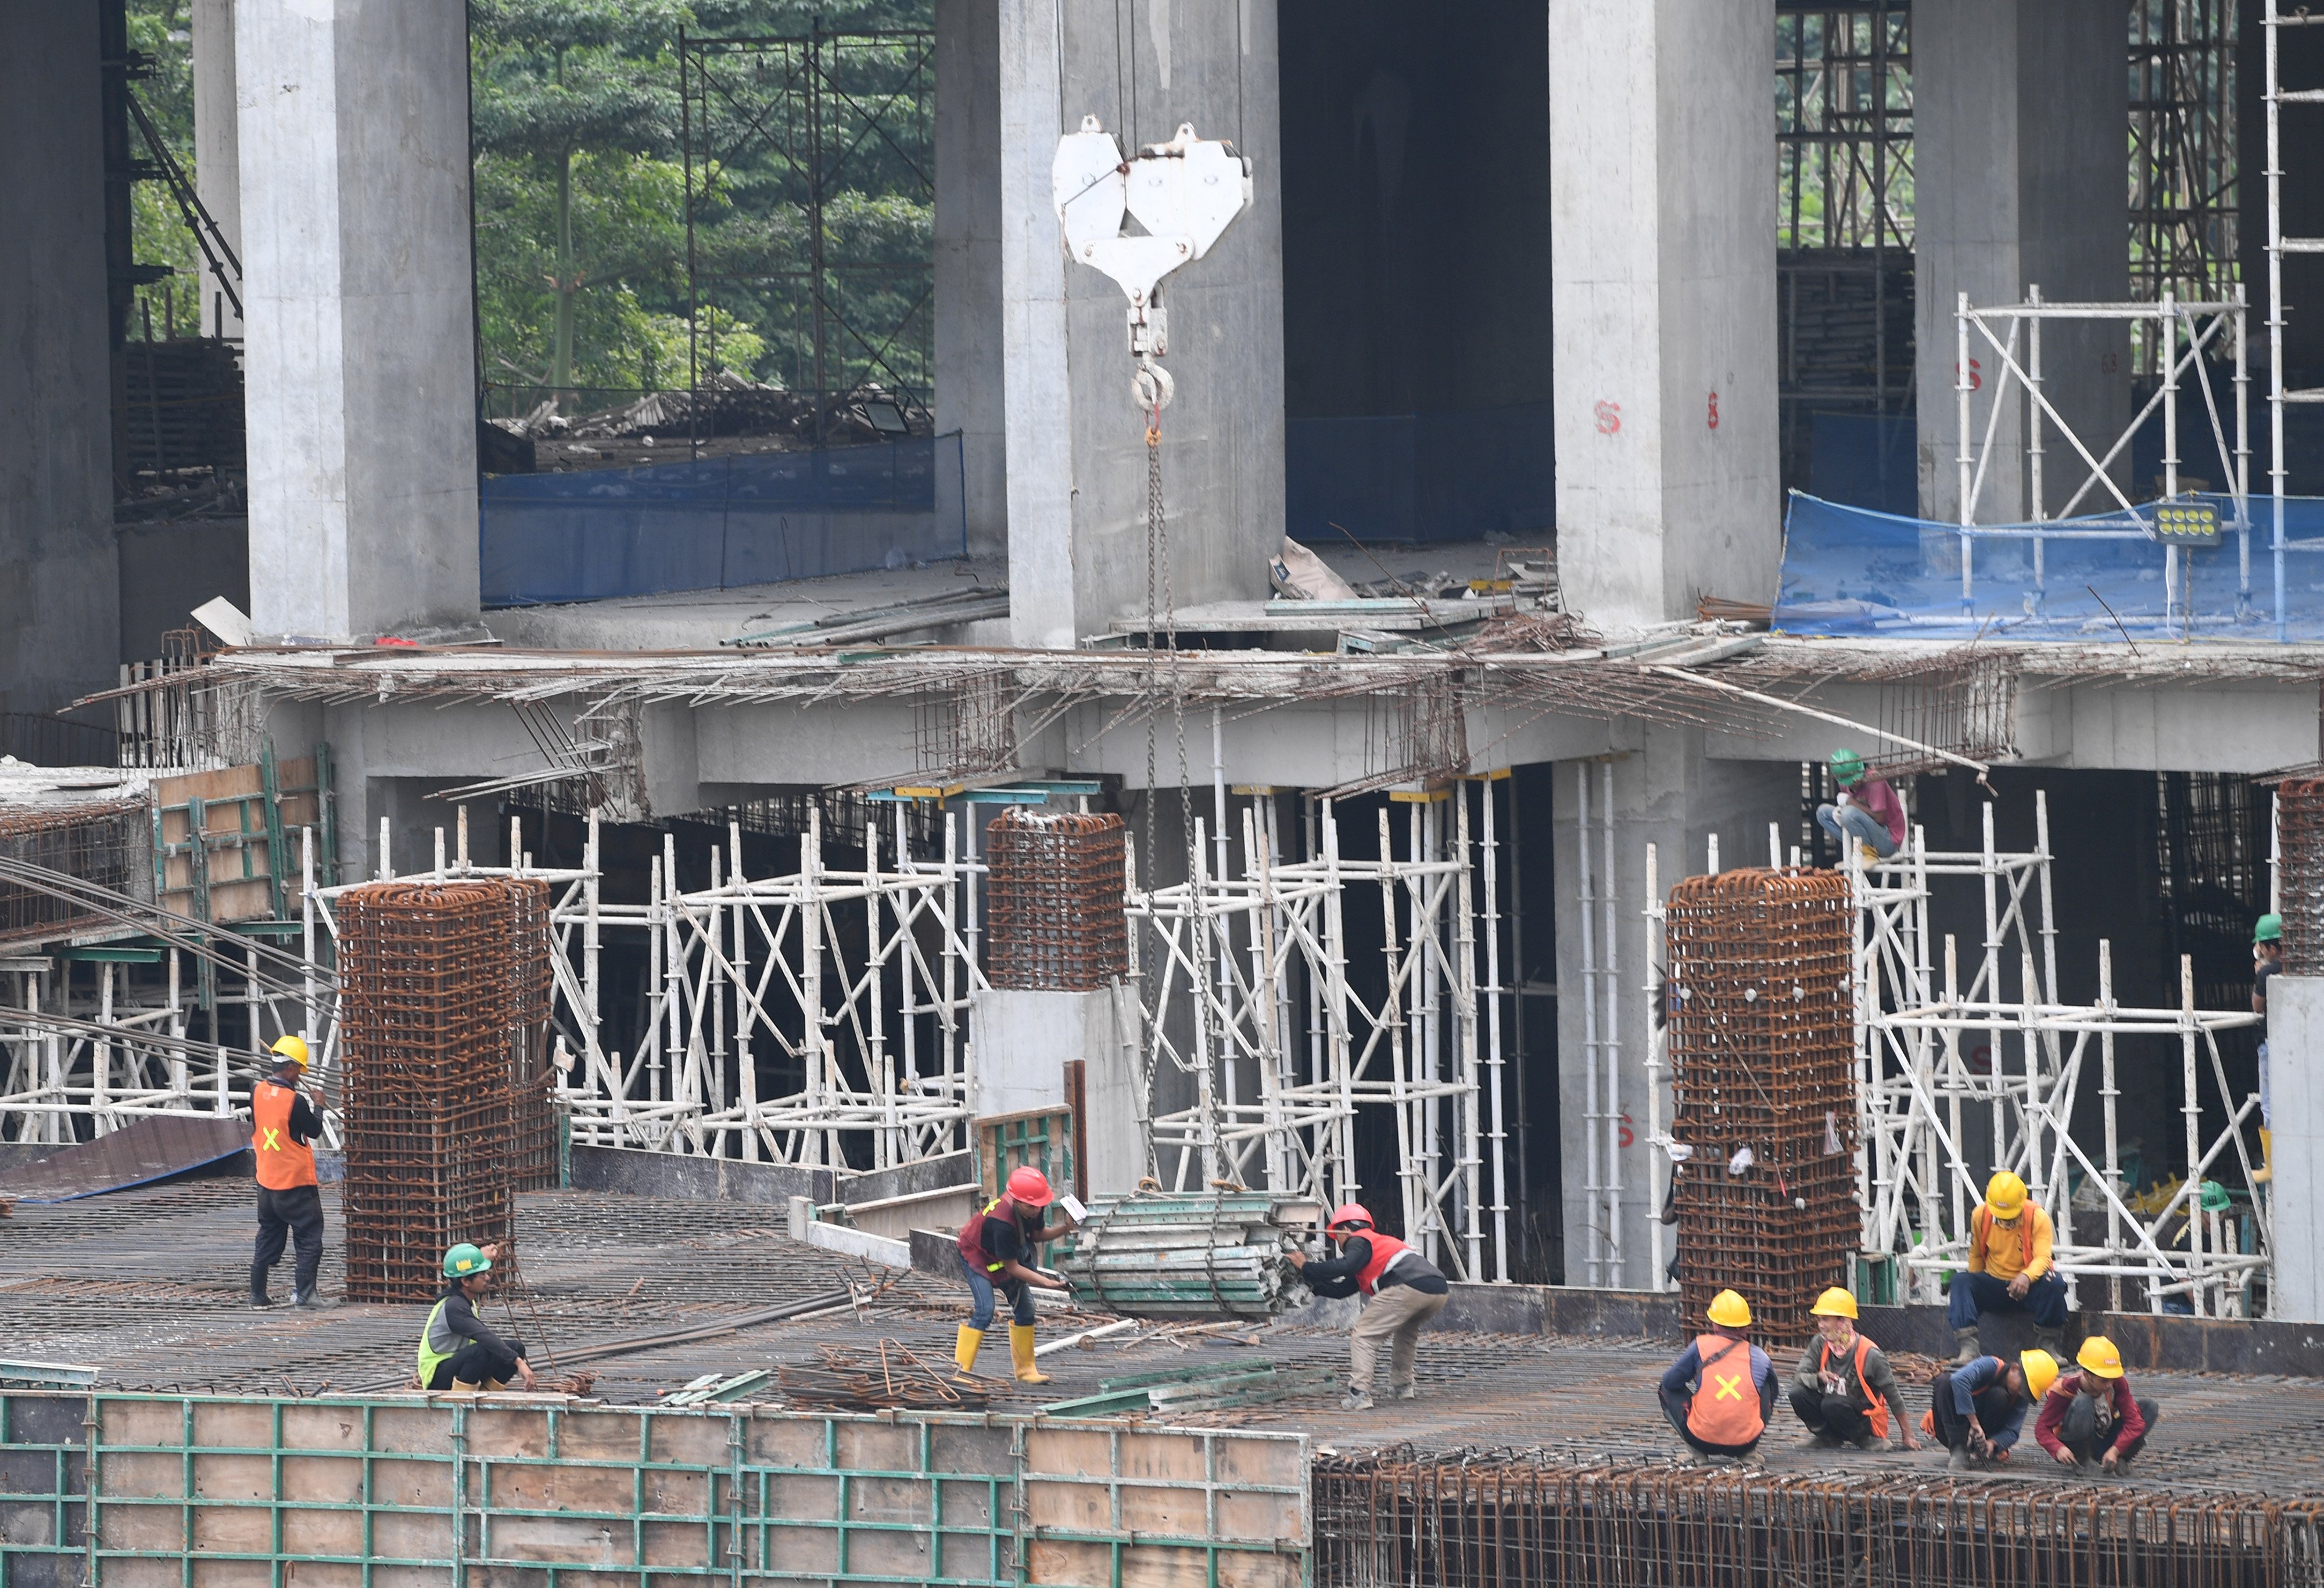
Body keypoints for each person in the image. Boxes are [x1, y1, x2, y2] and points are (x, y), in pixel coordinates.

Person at [1285, 1202, 1450, 1411]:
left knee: (1364, 1335)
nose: (1340, 1244)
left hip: (1407, 1286)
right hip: (1437, 1290)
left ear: (1345, 1229)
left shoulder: (1360, 1240)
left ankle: (1359, 1394)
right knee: (1406, 1334)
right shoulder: (1378, 1246)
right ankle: (1403, 1387)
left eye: (1338, 1238)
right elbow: (1343, 1289)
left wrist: (1307, 1266)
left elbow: (1345, 1266)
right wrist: (1310, 1285)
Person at [953, 1165, 1079, 1384]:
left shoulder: (1033, 1206)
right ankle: (961, 1371)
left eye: (1039, 1206)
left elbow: (1038, 1234)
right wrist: (1047, 1283)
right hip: (977, 1257)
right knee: (985, 1311)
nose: (1037, 1211)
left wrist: (1066, 1228)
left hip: (1004, 1256)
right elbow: (1012, 1268)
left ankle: (1026, 1370)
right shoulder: (1001, 1223)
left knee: (1026, 1309)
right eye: (1032, 1207)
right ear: (1017, 1201)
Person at [249, 1034, 332, 1310]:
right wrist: (318, 1104)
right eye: (300, 1070)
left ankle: (257, 1296)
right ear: (293, 1068)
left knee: (267, 1236)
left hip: (266, 1183)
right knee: (309, 1238)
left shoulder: (257, 1092)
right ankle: (306, 1295)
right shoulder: (294, 1101)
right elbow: (314, 1130)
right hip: (295, 1185)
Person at [1948, 1170, 2067, 1363]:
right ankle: (1969, 1348)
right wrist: (1973, 1297)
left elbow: (2043, 1258)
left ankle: (2047, 1346)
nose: (2007, 1221)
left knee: (2055, 1283)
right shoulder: (1980, 1216)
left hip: (2029, 1288)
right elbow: (1977, 1255)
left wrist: (2026, 1277)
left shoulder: (2038, 1218)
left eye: (2011, 1216)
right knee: (1961, 1281)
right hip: (1996, 1286)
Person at [1789, 1287, 1919, 1452]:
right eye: (1819, 1320)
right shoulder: (1819, 1344)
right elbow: (1799, 1376)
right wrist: (1818, 1378)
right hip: (1832, 1413)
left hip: (1863, 1419)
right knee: (1798, 1394)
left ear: (1842, 1321)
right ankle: (1827, 1437)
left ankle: (1865, 1440)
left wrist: (1908, 1435)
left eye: (1826, 1320)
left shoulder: (1870, 1354)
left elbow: (1893, 1396)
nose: (1820, 1326)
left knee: (1832, 1403)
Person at [1658, 1289, 1777, 1467]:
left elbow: (1670, 1382)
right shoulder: (1760, 1357)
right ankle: (1748, 1454)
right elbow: (1774, 1394)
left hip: (1700, 1438)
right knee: (1767, 1384)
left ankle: (1696, 1453)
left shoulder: (1700, 1345)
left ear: (1714, 1325)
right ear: (1746, 1327)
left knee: (1665, 1388)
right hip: (1745, 1442)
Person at [417, 1242, 539, 1392]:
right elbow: (482, 1334)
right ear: (466, 1282)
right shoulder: (454, 1307)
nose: (488, 1278)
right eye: (483, 1275)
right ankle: (461, 1402)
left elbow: (465, 1267)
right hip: (437, 1377)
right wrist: (519, 1362)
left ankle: (487, 1396)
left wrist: (480, 1257)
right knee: (480, 1352)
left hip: (461, 1366)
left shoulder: (465, 1297)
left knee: (515, 1348)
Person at [2034, 1336, 2158, 1474]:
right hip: (2077, 1447)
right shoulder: (2065, 1389)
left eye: (2112, 1379)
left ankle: (2119, 1460)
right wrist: (2058, 1449)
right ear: (2087, 1376)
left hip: (2105, 1442)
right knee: (2083, 1402)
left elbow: (2135, 1422)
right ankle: (2084, 1462)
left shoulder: (2118, 1383)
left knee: (2149, 1407)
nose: (2109, 1385)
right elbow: (2042, 1429)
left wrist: (2116, 1450)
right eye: (2104, 1380)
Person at [1927, 1347, 2057, 1471]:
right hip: (1952, 1430)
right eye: (2023, 1387)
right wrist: (1974, 1423)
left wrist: (1993, 1443)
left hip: (1981, 1440)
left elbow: (2012, 1432)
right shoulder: (1990, 1365)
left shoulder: (2020, 1396)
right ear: (2015, 1368)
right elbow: (1959, 1380)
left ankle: (1981, 1449)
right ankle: (1959, 1450)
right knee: (1944, 1381)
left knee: (1999, 1395)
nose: (2022, 1393)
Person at [1816, 749, 1907, 867]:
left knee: (1848, 813)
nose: (1857, 782)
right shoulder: (1843, 783)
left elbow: (1879, 818)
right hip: (1864, 837)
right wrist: (1840, 811)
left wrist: (1850, 802)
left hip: (1888, 841)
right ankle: (1858, 849)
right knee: (1822, 813)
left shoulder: (1874, 780)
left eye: (1857, 778)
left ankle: (1867, 853)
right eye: (1852, 781)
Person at [2255, 913, 2282, 1184]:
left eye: (2262, 946)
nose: (2260, 951)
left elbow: (2256, 1006)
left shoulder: (2267, 971)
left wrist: (2258, 974)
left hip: (2271, 1044)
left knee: (2270, 1103)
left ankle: (2272, 1164)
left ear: (2272, 947)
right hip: (2293, 1044)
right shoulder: (2298, 967)